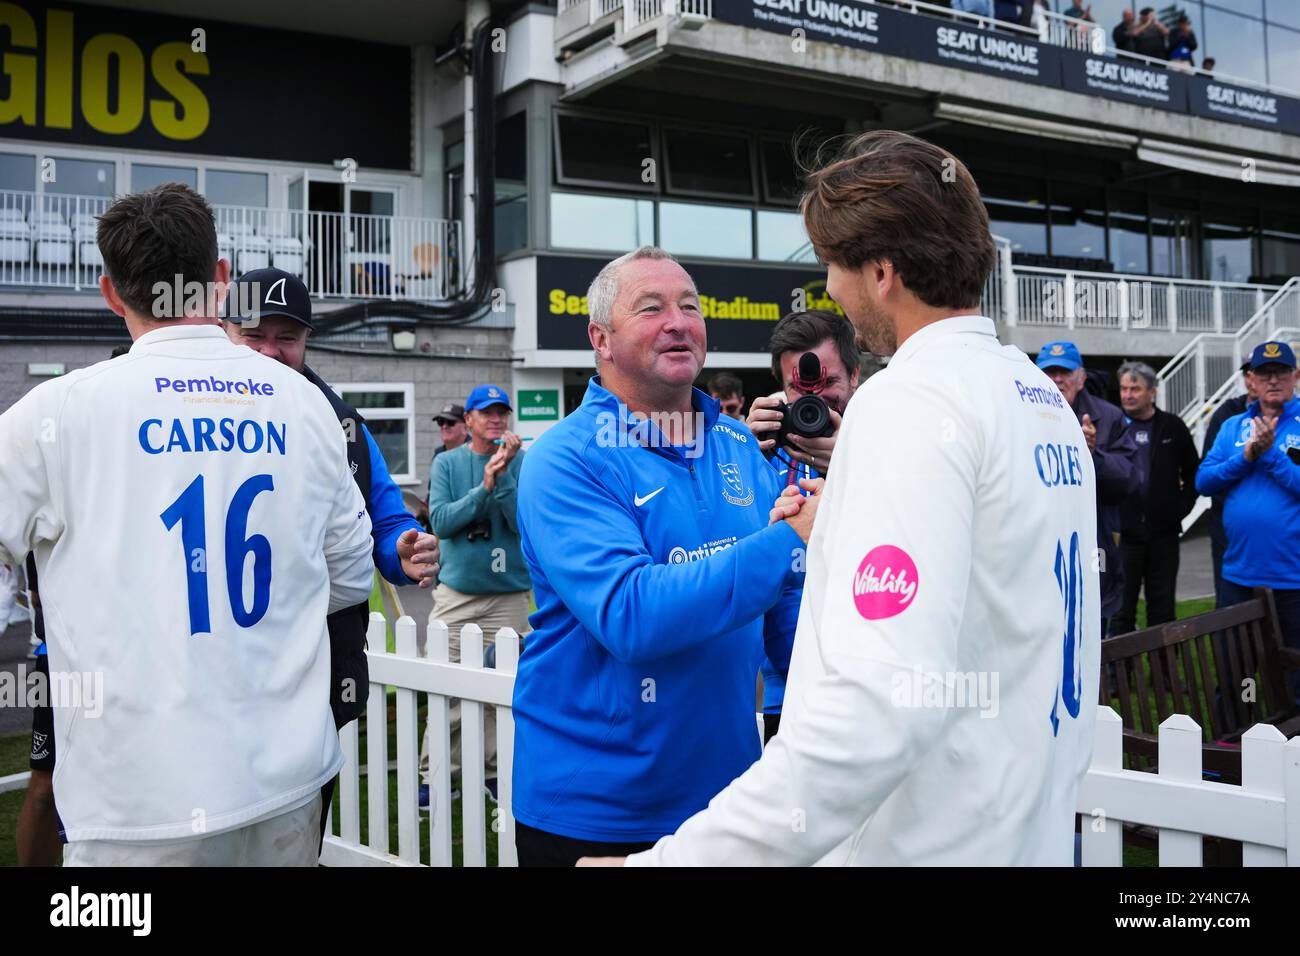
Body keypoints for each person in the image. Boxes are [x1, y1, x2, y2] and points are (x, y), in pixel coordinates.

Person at [581, 131, 1099, 867]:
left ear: (882, 269)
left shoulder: (911, 402)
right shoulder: (1035, 395)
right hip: (1026, 826)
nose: (829, 290)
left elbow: (873, 714)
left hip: (928, 842)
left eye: (833, 266)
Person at [0, 183, 377, 866]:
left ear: (110, 292)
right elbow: (350, 580)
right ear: (222, 279)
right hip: (284, 786)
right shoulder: (307, 403)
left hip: (132, 804)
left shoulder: (54, 414)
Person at [512, 245, 804, 866]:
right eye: (651, 308)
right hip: (597, 814)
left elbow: (786, 603)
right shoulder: (566, 459)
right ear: (601, 338)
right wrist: (791, 538)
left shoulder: (737, 443)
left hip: (727, 803)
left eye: (689, 306)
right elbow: (631, 614)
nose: (678, 321)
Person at [746, 307, 861, 739]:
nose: (816, 399)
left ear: (855, 374)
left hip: (863, 694)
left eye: (828, 382)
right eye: (799, 387)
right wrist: (740, 450)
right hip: (784, 693)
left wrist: (854, 461)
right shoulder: (763, 450)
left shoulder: (886, 441)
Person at [419, 384, 531, 810]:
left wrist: (501, 480)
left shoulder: (522, 460)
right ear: (469, 421)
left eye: (502, 412)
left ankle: (493, 772)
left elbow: (523, 524)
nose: (496, 419)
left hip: (508, 595)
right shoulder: (449, 461)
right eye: (486, 413)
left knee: (502, 692)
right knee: (445, 689)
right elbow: (443, 521)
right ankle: (435, 776)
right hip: (459, 594)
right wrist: (484, 486)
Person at [1197, 340, 1300, 702]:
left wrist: (1270, 456)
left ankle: (1293, 744)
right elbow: (1203, 481)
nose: (1274, 380)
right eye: (1265, 373)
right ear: (1251, 380)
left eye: (1281, 372)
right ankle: (1232, 740)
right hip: (1239, 573)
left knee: (1294, 669)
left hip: (1293, 577)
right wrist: (1245, 457)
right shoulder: (1232, 427)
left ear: (1296, 377)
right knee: (1235, 669)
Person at [1037, 341, 1138, 636]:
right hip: (1043, 545)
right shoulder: (1024, 414)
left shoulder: (1109, 417)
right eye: (1050, 372)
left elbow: (1129, 481)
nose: (1057, 380)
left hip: (1095, 546)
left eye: (1064, 372)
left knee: (1093, 635)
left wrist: (1093, 455)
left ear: (1081, 378)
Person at [1110, 361, 1199, 636]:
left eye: (1135, 389)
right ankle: (1118, 677)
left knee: (1162, 612)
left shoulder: (1172, 427)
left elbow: (1194, 474)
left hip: (1164, 536)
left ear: (1152, 392)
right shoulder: (1112, 425)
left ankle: (1164, 677)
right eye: (1124, 388)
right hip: (1123, 537)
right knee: (1120, 610)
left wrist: (1177, 511)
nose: (1127, 395)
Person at [1203, 355, 1257, 607]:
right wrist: (1244, 460)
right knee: (1230, 606)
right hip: (1227, 527)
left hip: (1280, 542)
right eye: (1249, 373)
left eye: (1275, 373)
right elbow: (1206, 475)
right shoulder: (1228, 416)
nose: (1254, 378)